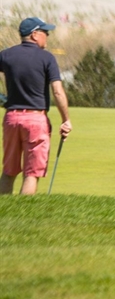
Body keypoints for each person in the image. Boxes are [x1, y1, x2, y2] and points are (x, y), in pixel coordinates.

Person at [0, 17, 72, 196]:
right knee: (31, 173)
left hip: (11, 117)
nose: (47, 36)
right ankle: (23, 217)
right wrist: (66, 120)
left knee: (8, 171)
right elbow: (57, 92)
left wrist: (1, 99)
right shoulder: (47, 58)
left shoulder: (5, 55)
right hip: (35, 119)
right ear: (34, 34)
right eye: (45, 33)